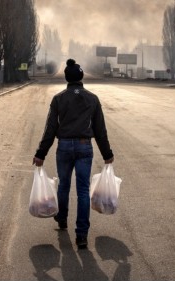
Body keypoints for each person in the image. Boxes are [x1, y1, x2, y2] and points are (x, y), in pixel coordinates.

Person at [33, 58, 114, 249]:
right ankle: (82, 235)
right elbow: (100, 130)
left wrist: (41, 153)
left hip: (64, 147)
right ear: (81, 76)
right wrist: (107, 153)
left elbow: (50, 129)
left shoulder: (59, 99)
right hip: (85, 147)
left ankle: (62, 219)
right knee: (83, 191)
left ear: (67, 78)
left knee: (63, 186)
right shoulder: (92, 99)